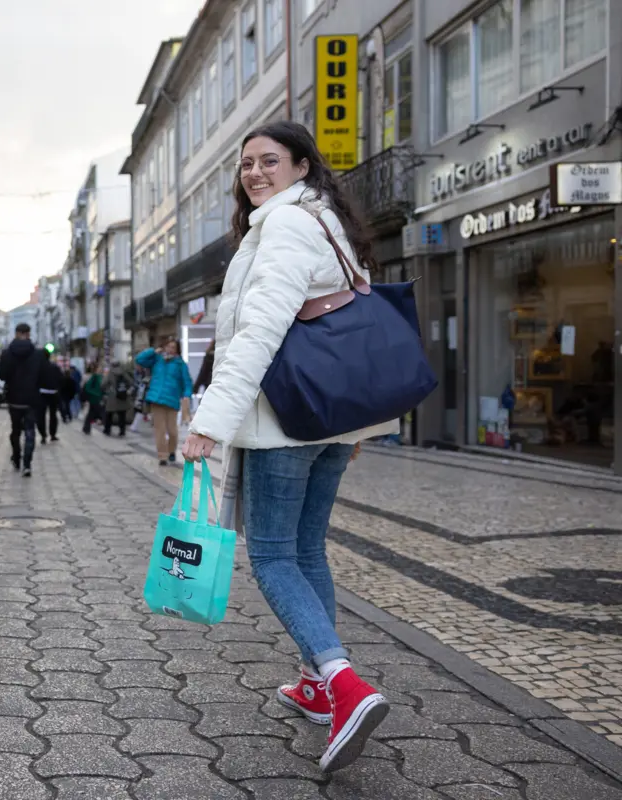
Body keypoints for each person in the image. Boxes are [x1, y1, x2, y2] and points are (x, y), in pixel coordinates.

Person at [182, 120, 396, 774]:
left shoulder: (283, 227)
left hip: (283, 422)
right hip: (328, 420)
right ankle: (314, 683)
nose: (253, 172)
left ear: (302, 165)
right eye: (246, 163)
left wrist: (210, 421)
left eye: (268, 160)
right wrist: (355, 428)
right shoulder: (328, 224)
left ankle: (344, 685)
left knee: (273, 555)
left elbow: (259, 334)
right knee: (306, 551)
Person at [135, 338, 193, 466]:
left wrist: (187, 395)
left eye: (173, 347)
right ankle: (162, 456)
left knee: (172, 431)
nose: (170, 349)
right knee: (159, 430)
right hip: (156, 399)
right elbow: (139, 360)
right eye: (168, 346)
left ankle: (171, 451)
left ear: (177, 350)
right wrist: (153, 351)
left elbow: (187, 382)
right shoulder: (157, 359)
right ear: (164, 347)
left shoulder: (180, 364)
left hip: (172, 400)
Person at [0, 322, 41, 476]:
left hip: (14, 399)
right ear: (28, 334)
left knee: (15, 430)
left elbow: (2, 376)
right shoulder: (37, 354)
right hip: (31, 399)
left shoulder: (7, 353)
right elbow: (42, 377)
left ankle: (16, 457)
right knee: (30, 431)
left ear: (16, 333)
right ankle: (27, 464)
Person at [102, 359, 134, 436]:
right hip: (123, 397)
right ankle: (122, 431)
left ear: (112, 365)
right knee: (122, 415)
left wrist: (106, 390)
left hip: (113, 397)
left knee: (109, 414)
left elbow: (103, 384)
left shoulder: (110, 373)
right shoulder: (124, 372)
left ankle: (107, 430)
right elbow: (131, 382)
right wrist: (126, 390)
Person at [36, 348, 62, 444]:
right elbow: (61, 379)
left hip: (41, 394)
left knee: (40, 416)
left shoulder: (38, 368)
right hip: (54, 393)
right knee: (53, 415)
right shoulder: (55, 367)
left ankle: (43, 435)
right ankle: (53, 434)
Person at [80, 364, 104, 434]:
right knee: (95, 412)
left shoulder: (101, 377)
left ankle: (86, 428)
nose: (101, 370)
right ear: (96, 370)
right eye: (99, 368)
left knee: (91, 413)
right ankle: (87, 427)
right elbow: (88, 387)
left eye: (101, 368)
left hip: (98, 398)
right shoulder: (94, 377)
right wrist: (96, 393)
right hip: (93, 399)